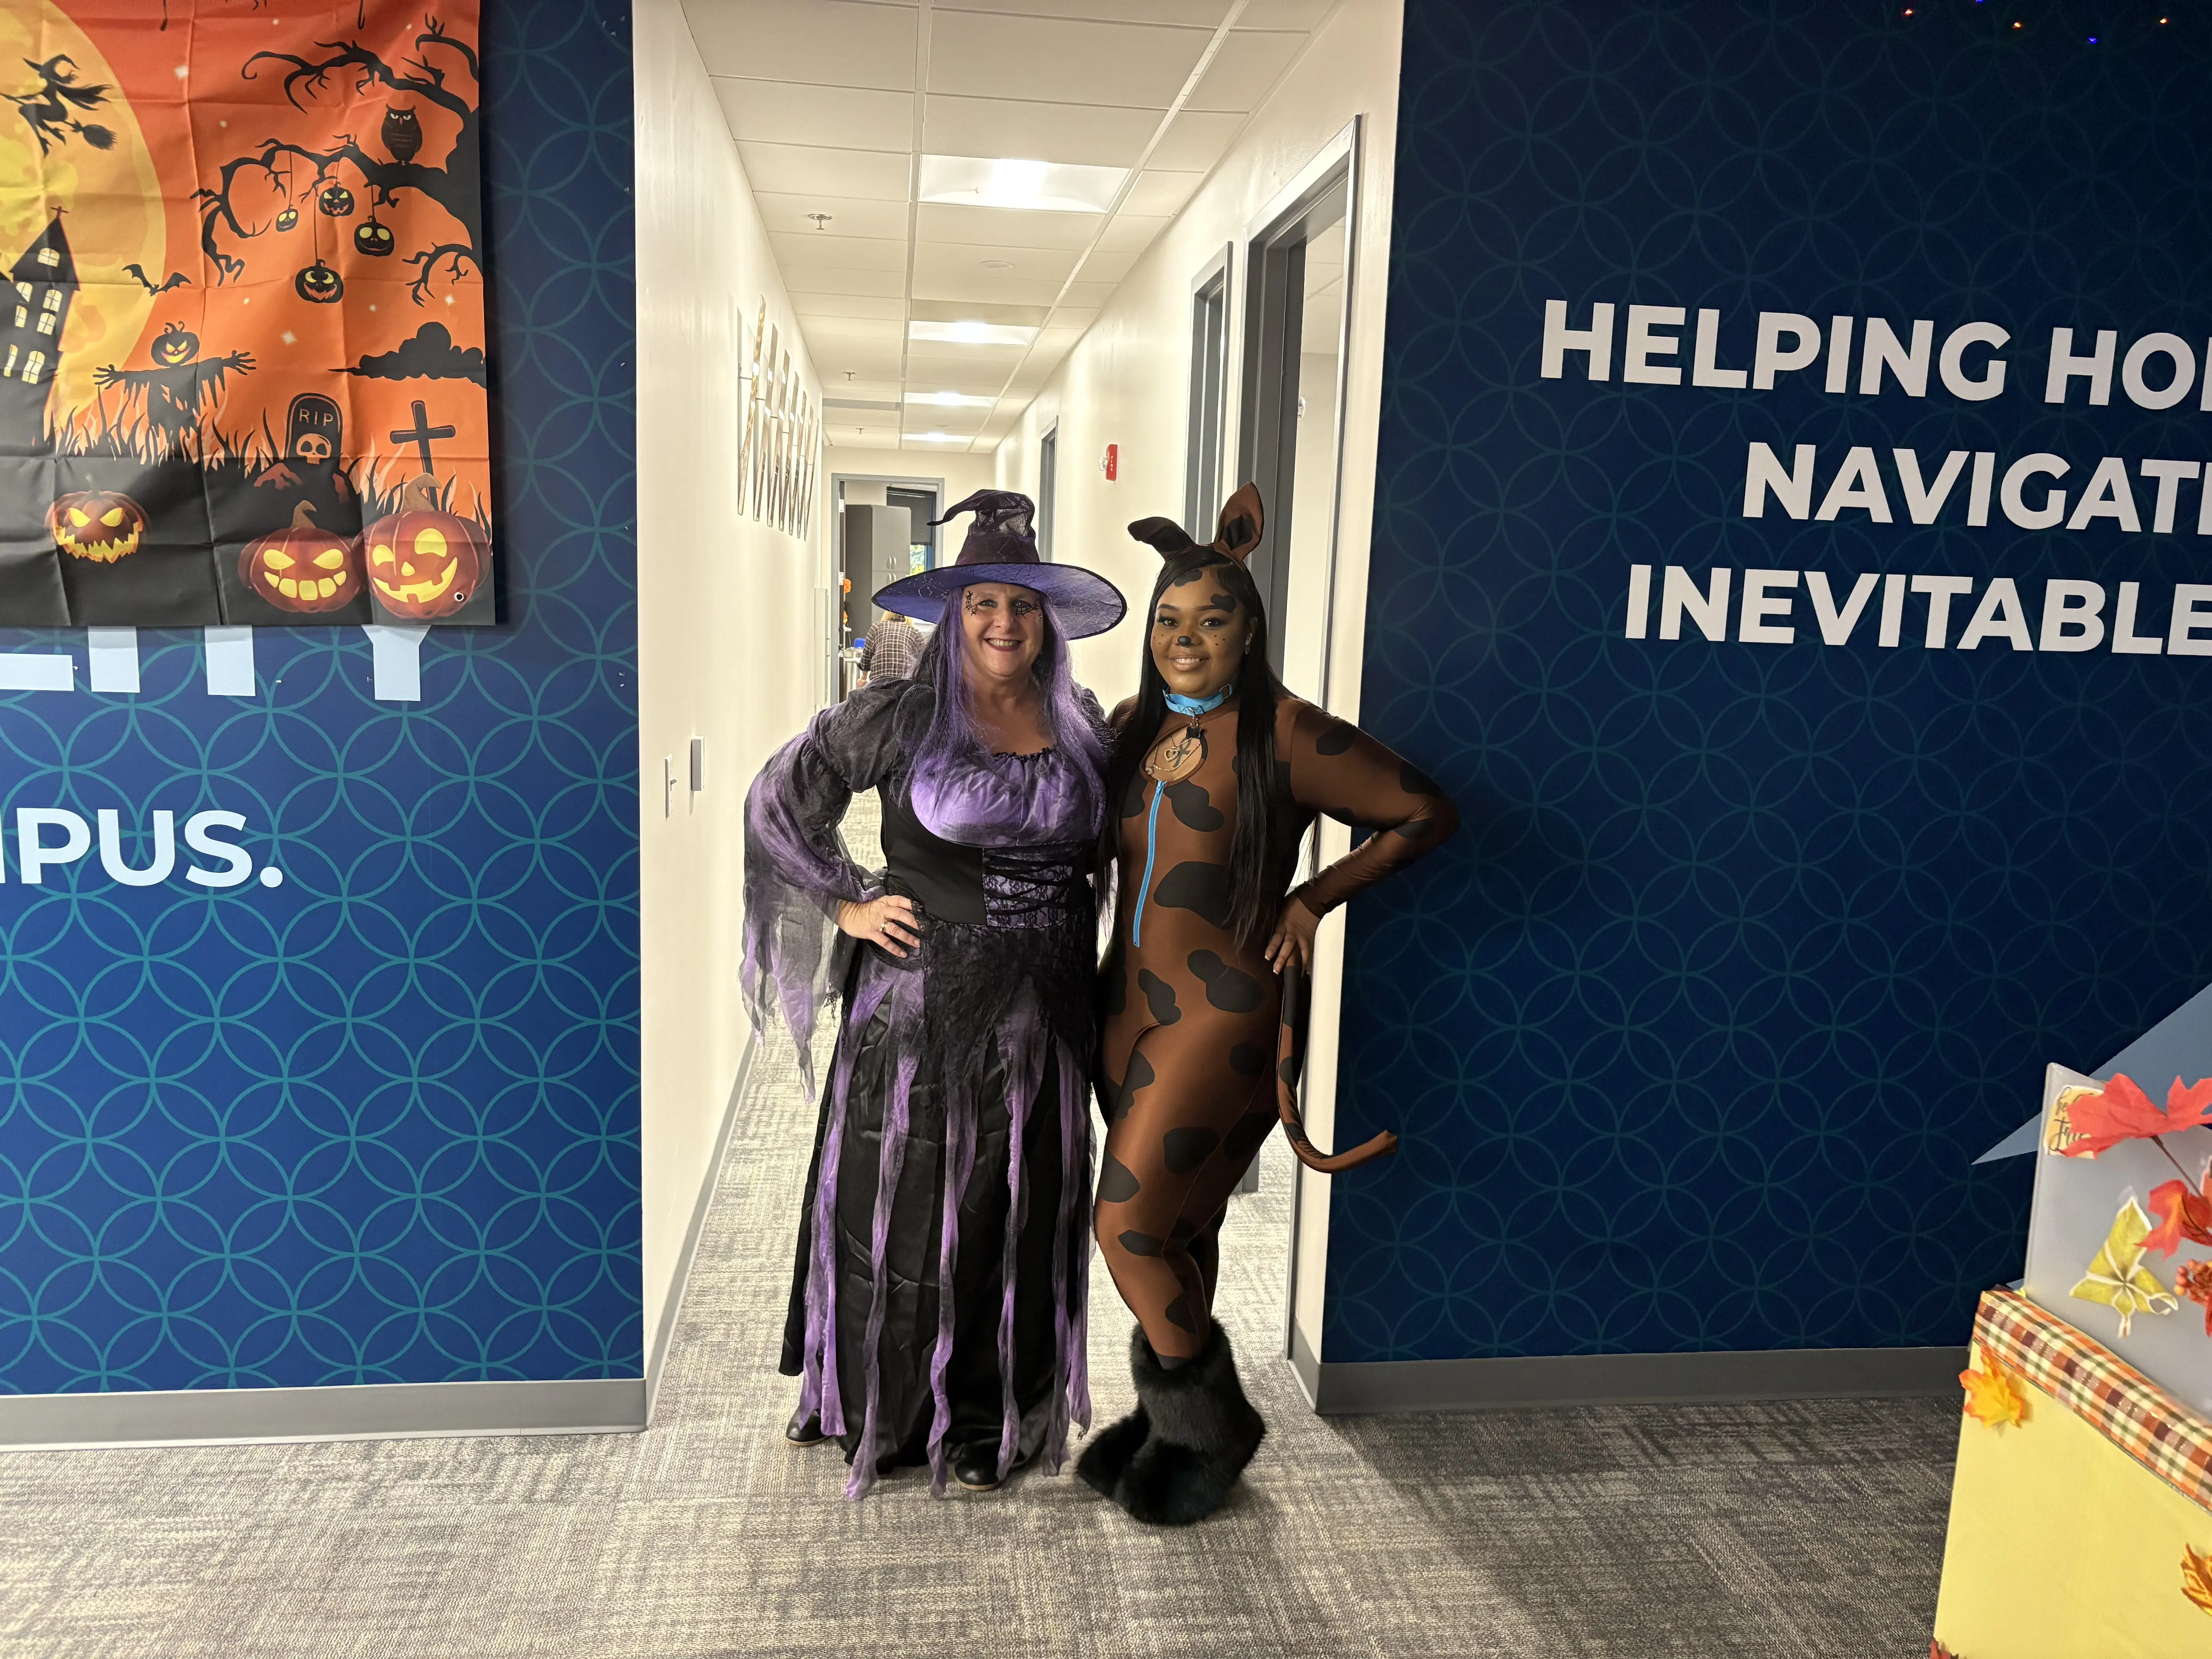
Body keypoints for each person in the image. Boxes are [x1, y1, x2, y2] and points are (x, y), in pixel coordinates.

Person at [1079, 484, 1459, 1525]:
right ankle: (1170, 1423)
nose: (1187, 638)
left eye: (1212, 618)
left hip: (1221, 1020)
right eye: (1169, 618)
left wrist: (1314, 896)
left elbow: (1425, 811)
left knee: (1129, 1228)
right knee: (1181, 1224)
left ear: (1250, 627)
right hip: (1125, 1016)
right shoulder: (1131, 728)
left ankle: (1210, 1426)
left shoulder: (1289, 733)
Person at [742, 489, 1127, 1499]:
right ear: (956, 610)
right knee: (910, 1214)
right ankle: (893, 1416)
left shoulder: (1079, 721)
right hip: (918, 1013)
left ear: (1047, 619)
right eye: (985, 602)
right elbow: (781, 794)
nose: (1006, 623)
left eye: (1025, 606)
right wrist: (847, 898)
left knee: (1021, 1212)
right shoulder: (905, 713)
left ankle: (999, 1416)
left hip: (1045, 1011)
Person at [857, 609, 923, 684]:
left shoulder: (877, 628)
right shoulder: (915, 633)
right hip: (905, 686)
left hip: (879, 686)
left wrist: (864, 680)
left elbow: (866, 661)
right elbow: (924, 663)